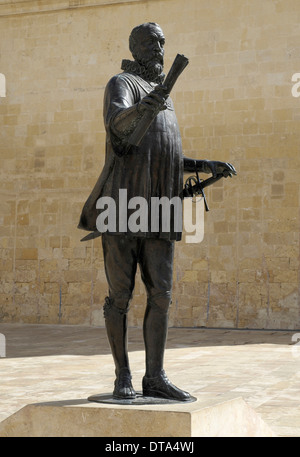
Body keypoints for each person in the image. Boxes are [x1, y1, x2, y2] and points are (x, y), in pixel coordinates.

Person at [78, 22, 236, 401]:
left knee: (161, 293)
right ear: (135, 48)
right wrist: (147, 105)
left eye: (162, 42)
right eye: (150, 42)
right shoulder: (123, 84)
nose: (159, 48)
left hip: (160, 208)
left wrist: (203, 164)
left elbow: (163, 156)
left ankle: (156, 377)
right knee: (120, 296)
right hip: (122, 206)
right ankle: (122, 378)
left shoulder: (164, 96)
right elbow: (119, 128)